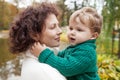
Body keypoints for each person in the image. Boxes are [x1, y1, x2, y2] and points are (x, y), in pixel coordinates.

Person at [31, 7, 103, 80]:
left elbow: (66, 67)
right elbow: (60, 56)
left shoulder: (87, 52)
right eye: (71, 28)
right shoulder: (76, 47)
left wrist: (44, 54)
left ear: (93, 36)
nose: (72, 32)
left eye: (79, 30)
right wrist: (47, 49)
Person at [9, 2, 66, 80]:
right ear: (34, 35)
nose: (60, 31)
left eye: (58, 25)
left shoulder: (31, 61)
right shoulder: (45, 72)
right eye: (53, 27)